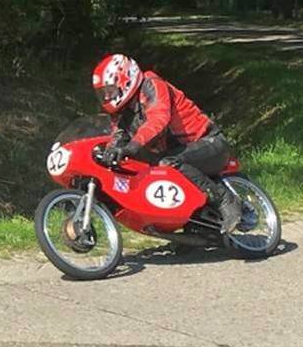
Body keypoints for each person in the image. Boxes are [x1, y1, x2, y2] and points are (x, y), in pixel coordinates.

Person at [92, 53, 242, 234]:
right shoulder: (121, 111)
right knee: (151, 172)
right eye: (103, 94)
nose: (107, 97)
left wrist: (132, 146)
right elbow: (118, 134)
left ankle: (225, 200)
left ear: (125, 79)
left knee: (168, 164)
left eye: (110, 90)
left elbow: (158, 119)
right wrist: (109, 153)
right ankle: (191, 226)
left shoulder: (151, 85)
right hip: (179, 152)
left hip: (208, 141)